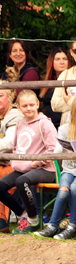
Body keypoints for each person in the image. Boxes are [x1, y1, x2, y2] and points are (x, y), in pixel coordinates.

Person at [35, 96, 76, 240]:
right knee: (62, 193)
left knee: (75, 188)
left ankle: (73, 225)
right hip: (68, 170)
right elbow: (56, 152)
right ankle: (52, 226)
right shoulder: (64, 129)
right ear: (74, 113)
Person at [0, 90, 57, 234]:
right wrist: (14, 162)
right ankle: (23, 215)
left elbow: (54, 149)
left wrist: (36, 163)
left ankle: (33, 221)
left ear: (38, 104)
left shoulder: (44, 123)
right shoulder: (20, 123)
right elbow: (16, 146)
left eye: (32, 104)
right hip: (22, 168)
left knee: (21, 181)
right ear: (18, 107)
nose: (29, 108)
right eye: (25, 106)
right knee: (0, 186)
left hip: (44, 170)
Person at [0, 85, 24, 232]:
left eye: (1, 95)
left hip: (14, 164)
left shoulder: (15, 116)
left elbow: (9, 143)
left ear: (10, 98)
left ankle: (1, 221)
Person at [40, 47, 72, 128]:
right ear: (52, 62)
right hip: (49, 125)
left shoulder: (74, 79)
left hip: (67, 123)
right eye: (57, 59)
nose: (62, 62)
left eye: (65, 59)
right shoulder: (46, 82)